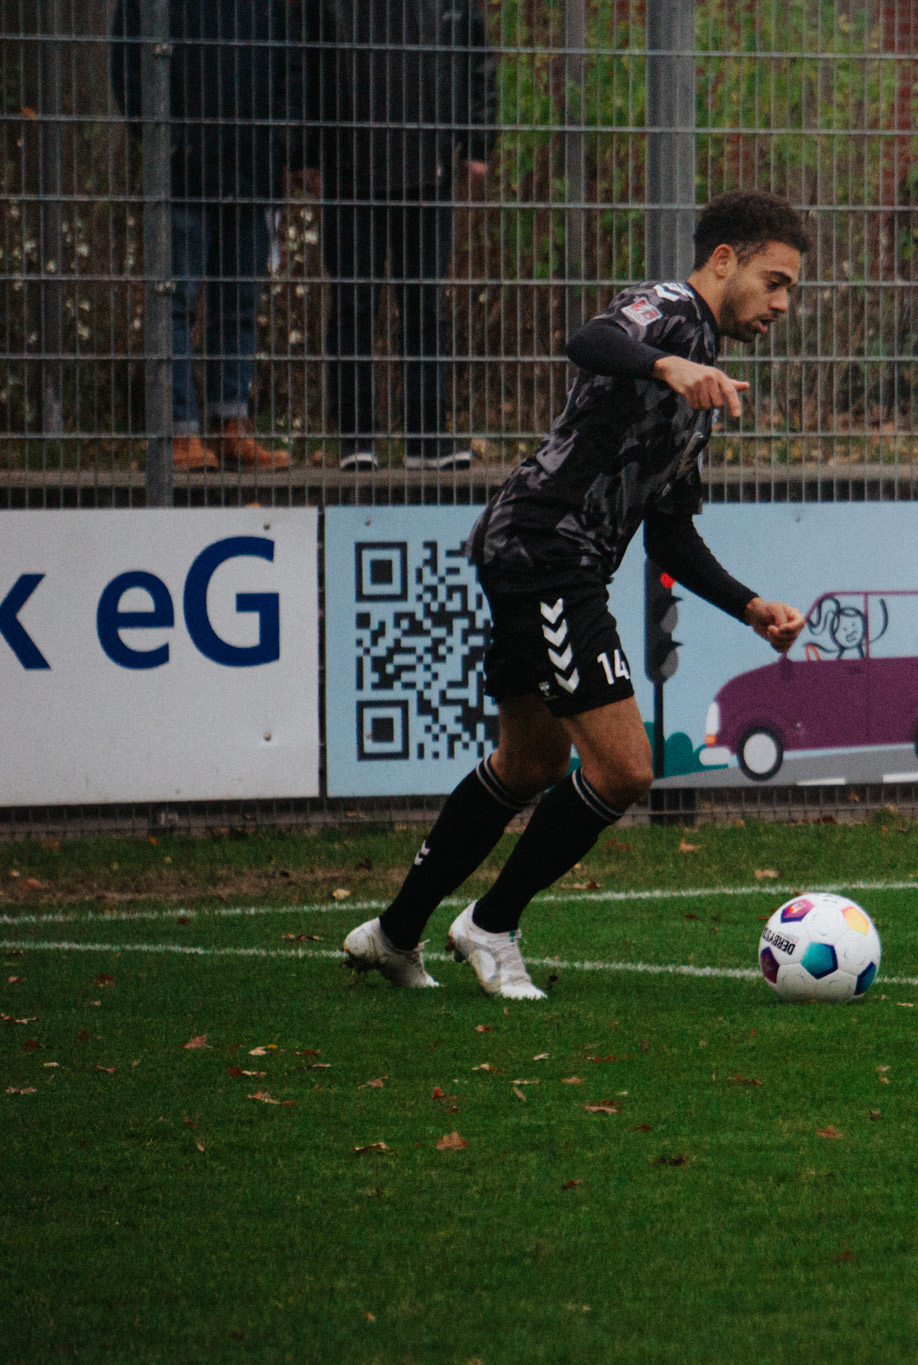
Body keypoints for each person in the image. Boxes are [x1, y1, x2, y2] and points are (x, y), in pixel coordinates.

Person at [343, 191, 813, 997]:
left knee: (529, 761)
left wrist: (748, 604)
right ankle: (490, 925)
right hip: (544, 546)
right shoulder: (669, 310)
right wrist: (669, 362)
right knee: (625, 767)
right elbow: (588, 339)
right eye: (774, 281)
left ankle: (392, 932)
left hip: (548, 554)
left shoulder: (703, 387)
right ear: (724, 260)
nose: (780, 304)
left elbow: (668, 534)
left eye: (790, 291)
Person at [305, 0, 497, 471]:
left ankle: (427, 440)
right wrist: (306, 149)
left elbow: (477, 60)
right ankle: (356, 442)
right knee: (354, 306)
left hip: (428, 170)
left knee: (425, 308)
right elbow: (303, 62)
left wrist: (477, 139)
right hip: (349, 170)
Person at [112, 0, 300, 471]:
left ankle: (230, 425)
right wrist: (160, 137)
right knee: (174, 301)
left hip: (252, 166)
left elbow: (293, 63)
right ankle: (179, 432)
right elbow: (126, 60)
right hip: (183, 169)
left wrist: (278, 142)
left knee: (239, 307)